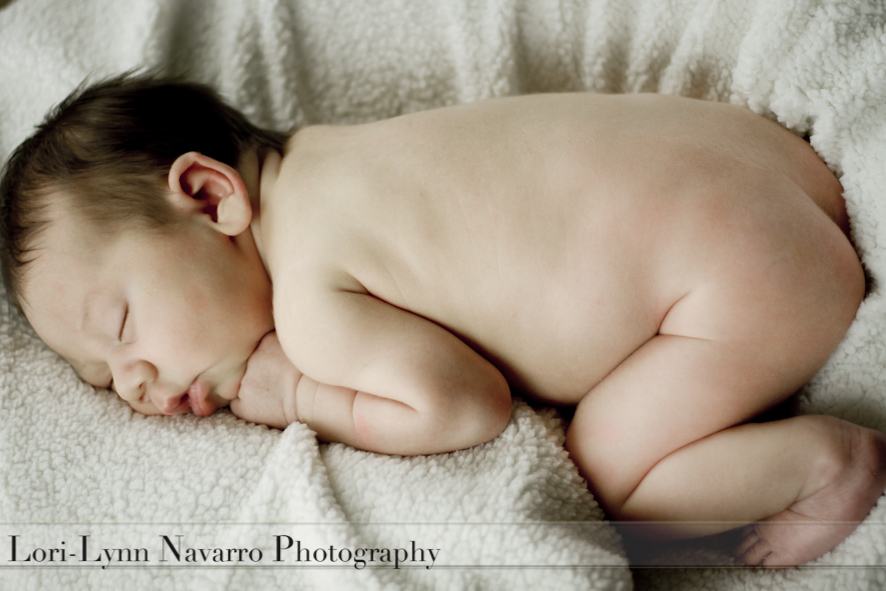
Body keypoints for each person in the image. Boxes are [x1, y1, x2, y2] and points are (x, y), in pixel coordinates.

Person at [2, 74, 884, 568]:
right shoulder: (337, 153)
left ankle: (824, 466)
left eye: (122, 325)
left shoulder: (310, 302)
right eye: (100, 375)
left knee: (603, 484)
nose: (132, 384)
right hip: (768, 166)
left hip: (743, 283)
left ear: (208, 196)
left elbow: (465, 407)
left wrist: (300, 392)